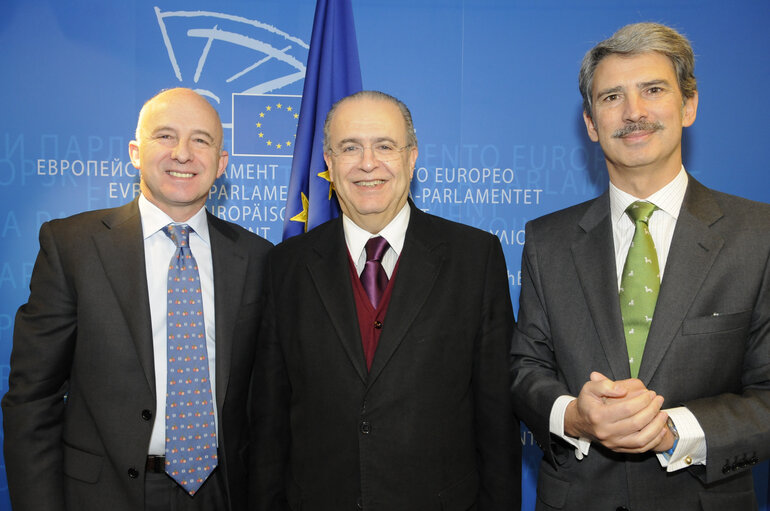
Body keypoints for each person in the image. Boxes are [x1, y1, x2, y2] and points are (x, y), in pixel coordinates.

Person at [511, 22, 770, 510]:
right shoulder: (547, 240)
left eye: (652, 90)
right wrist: (574, 417)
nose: (634, 113)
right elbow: (526, 367)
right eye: (611, 97)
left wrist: (676, 430)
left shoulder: (759, 235)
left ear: (688, 105)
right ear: (590, 123)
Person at [2, 88, 272, 511]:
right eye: (165, 136)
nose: (182, 154)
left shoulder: (257, 258)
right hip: (104, 494)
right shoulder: (73, 246)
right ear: (134, 152)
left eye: (201, 140)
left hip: (223, 492)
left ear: (220, 164)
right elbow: (32, 398)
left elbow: (266, 400)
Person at [254, 90, 520, 510]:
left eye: (385, 146)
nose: (367, 163)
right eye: (349, 148)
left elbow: (498, 418)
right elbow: (268, 424)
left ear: (412, 158)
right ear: (328, 162)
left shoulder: (475, 257)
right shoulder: (284, 266)